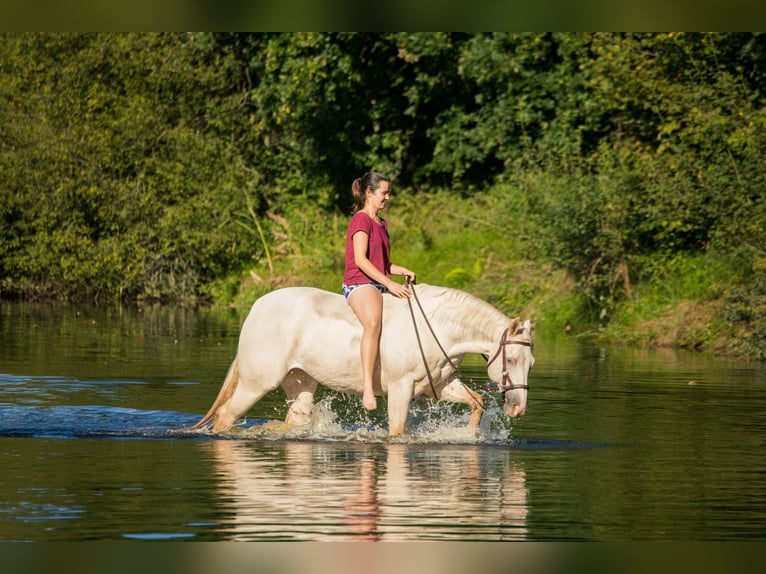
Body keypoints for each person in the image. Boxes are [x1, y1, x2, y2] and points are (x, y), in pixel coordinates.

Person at [342, 172, 416, 411]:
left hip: (377, 280)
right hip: (358, 282)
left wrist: (399, 270)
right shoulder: (360, 220)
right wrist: (390, 284)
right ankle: (367, 387)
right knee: (373, 323)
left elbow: (383, 263)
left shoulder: (382, 224)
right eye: (384, 192)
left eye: (388, 192)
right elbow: (362, 261)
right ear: (369, 193)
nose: (387, 197)